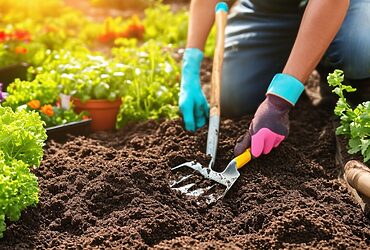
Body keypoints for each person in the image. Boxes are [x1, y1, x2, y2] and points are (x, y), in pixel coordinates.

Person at [179, 0, 370, 158]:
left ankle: (333, 71)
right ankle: (293, 59)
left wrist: (279, 101)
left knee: (360, 49)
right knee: (233, 96)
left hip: (341, 5)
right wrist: (190, 67)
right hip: (269, 9)